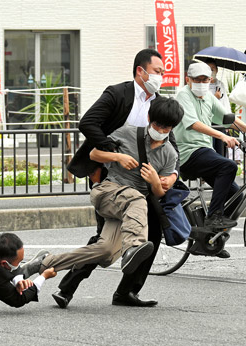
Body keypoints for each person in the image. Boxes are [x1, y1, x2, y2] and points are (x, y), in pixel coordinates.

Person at [54, 49, 180, 309]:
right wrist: (113, 151)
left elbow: (171, 141)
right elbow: (88, 122)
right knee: (105, 238)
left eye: (163, 73)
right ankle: (68, 288)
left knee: (153, 233)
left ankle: (127, 291)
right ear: (140, 71)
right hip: (112, 177)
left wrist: (173, 175)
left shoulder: (158, 103)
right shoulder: (118, 94)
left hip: (144, 182)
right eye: (157, 72)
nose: (160, 77)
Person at [28, 97, 182, 287]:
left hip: (130, 208)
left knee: (106, 251)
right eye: (158, 125)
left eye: (167, 128)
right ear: (149, 118)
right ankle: (134, 246)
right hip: (108, 192)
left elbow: (159, 194)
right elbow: (93, 154)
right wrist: (118, 157)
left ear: (173, 127)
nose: (160, 131)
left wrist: (155, 181)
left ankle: (45, 261)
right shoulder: (128, 133)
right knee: (137, 199)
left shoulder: (170, 154)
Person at [174, 62, 246, 246]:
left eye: (205, 79)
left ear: (210, 80)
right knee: (228, 165)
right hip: (187, 153)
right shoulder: (183, 95)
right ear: (187, 80)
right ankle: (213, 217)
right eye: (197, 79)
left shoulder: (208, 96)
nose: (202, 83)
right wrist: (221, 136)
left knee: (236, 195)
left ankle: (210, 240)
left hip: (205, 153)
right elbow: (192, 124)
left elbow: (228, 118)